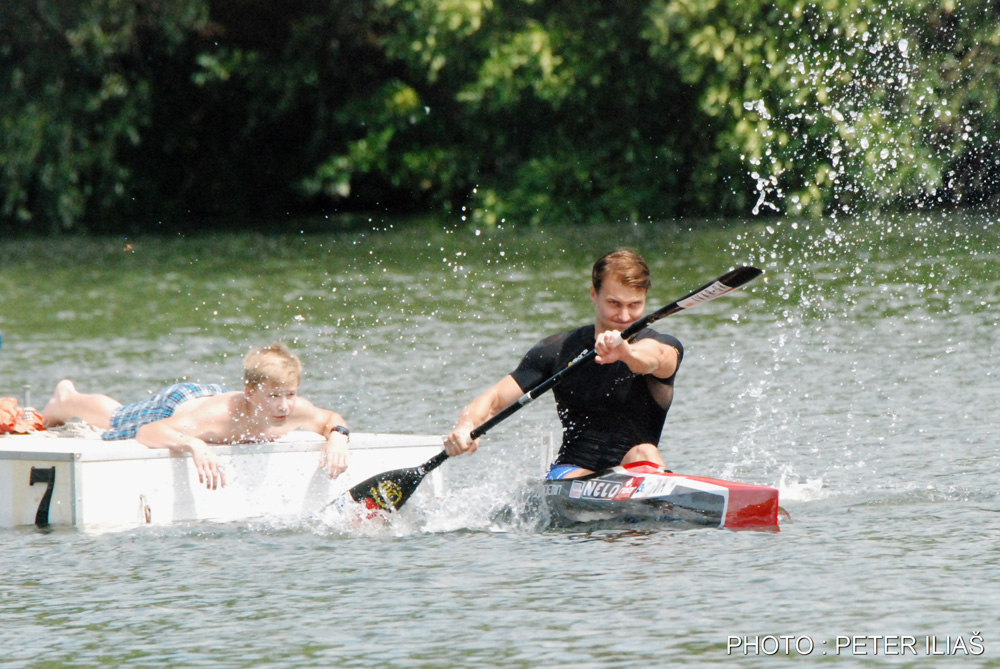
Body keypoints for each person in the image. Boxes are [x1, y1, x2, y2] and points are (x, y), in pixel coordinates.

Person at [444, 249, 683, 479]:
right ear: (594, 294)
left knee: (645, 452)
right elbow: (495, 399)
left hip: (634, 470)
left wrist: (626, 353)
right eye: (614, 303)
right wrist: (466, 426)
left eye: (634, 305)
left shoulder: (663, 346)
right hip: (570, 474)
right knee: (612, 467)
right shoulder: (557, 349)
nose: (624, 316)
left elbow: (652, 359)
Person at [41, 342, 350, 490]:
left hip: (213, 397)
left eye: (290, 394)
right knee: (118, 419)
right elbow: (148, 432)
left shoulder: (296, 410)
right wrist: (193, 444)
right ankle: (66, 399)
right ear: (251, 393)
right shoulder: (217, 418)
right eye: (274, 396)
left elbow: (329, 418)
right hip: (180, 405)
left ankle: (67, 399)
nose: (283, 406)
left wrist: (338, 437)